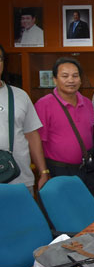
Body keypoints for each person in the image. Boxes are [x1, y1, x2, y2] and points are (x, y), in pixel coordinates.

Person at [35, 57, 94, 195]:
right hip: (59, 171)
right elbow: (37, 142)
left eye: (75, 76)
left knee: (89, 211)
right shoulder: (43, 104)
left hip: (87, 170)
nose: (71, 80)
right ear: (55, 79)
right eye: (65, 76)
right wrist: (43, 172)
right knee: (63, 212)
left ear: (80, 80)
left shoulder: (87, 103)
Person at [0, 44, 49, 194]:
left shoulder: (20, 95)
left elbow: (32, 135)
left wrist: (43, 171)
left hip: (18, 179)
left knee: (22, 218)